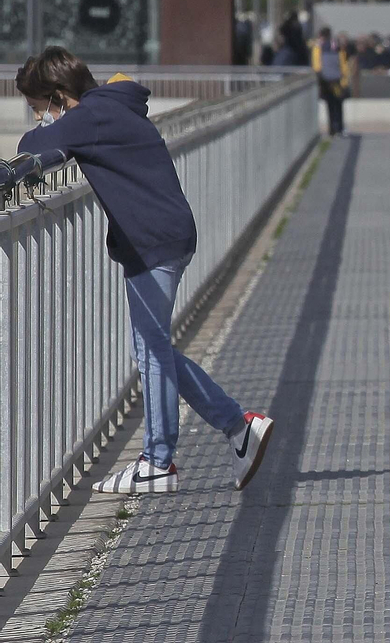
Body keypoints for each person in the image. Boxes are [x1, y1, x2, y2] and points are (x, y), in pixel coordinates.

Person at [15, 48, 277, 494]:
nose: (41, 119)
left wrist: (50, 130)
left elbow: (31, 148)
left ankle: (158, 460)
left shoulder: (89, 117)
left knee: (151, 351)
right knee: (155, 349)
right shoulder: (113, 107)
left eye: (40, 109)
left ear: (59, 98)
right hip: (164, 235)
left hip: (150, 242)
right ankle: (238, 427)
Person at [311, 27, 351, 137]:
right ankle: (340, 128)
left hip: (325, 81)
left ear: (320, 35)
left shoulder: (318, 47)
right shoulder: (336, 46)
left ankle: (332, 129)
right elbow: (343, 63)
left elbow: (317, 65)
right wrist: (344, 80)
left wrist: (320, 77)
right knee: (338, 103)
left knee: (329, 105)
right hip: (337, 81)